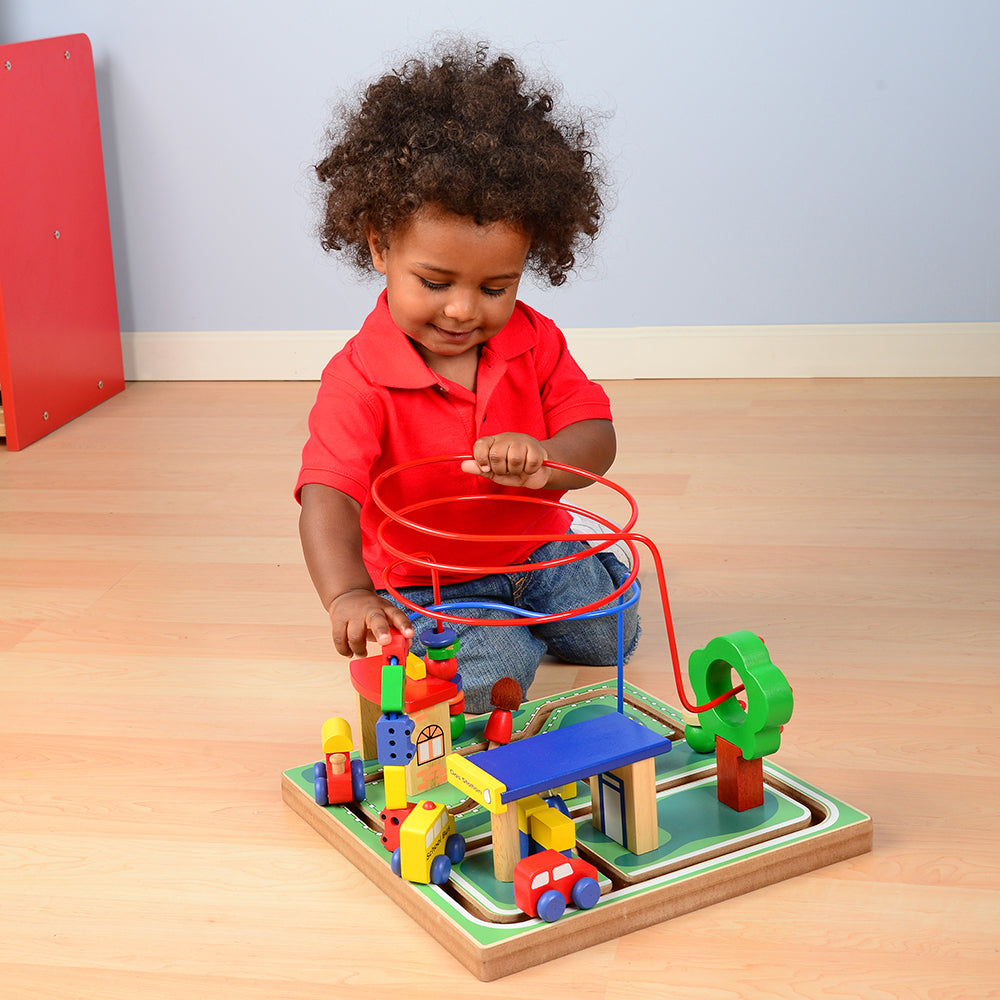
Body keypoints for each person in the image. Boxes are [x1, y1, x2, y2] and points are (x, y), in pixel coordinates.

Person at [296, 41, 639, 714]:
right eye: (434, 281)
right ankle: (504, 636)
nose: (462, 309)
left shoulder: (533, 339)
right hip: (431, 581)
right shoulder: (358, 379)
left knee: (612, 638)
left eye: (495, 286)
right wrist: (347, 593)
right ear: (378, 246)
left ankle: (582, 577)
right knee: (488, 679)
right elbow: (325, 498)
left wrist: (547, 461)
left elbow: (594, 434)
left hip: (536, 545)